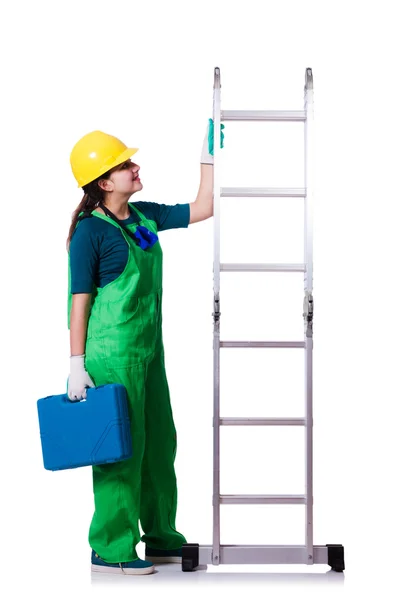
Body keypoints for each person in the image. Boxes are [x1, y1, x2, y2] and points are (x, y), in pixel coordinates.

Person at [66, 122, 223, 575]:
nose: (136, 168)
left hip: (149, 352)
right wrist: (77, 364)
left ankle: (160, 537)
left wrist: (207, 158)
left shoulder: (143, 216)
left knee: (158, 443)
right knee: (120, 450)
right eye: (125, 165)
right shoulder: (88, 233)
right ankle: (111, 547)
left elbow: (204, 207)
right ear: (103, 182)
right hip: (111, 357)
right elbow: (79, 303)